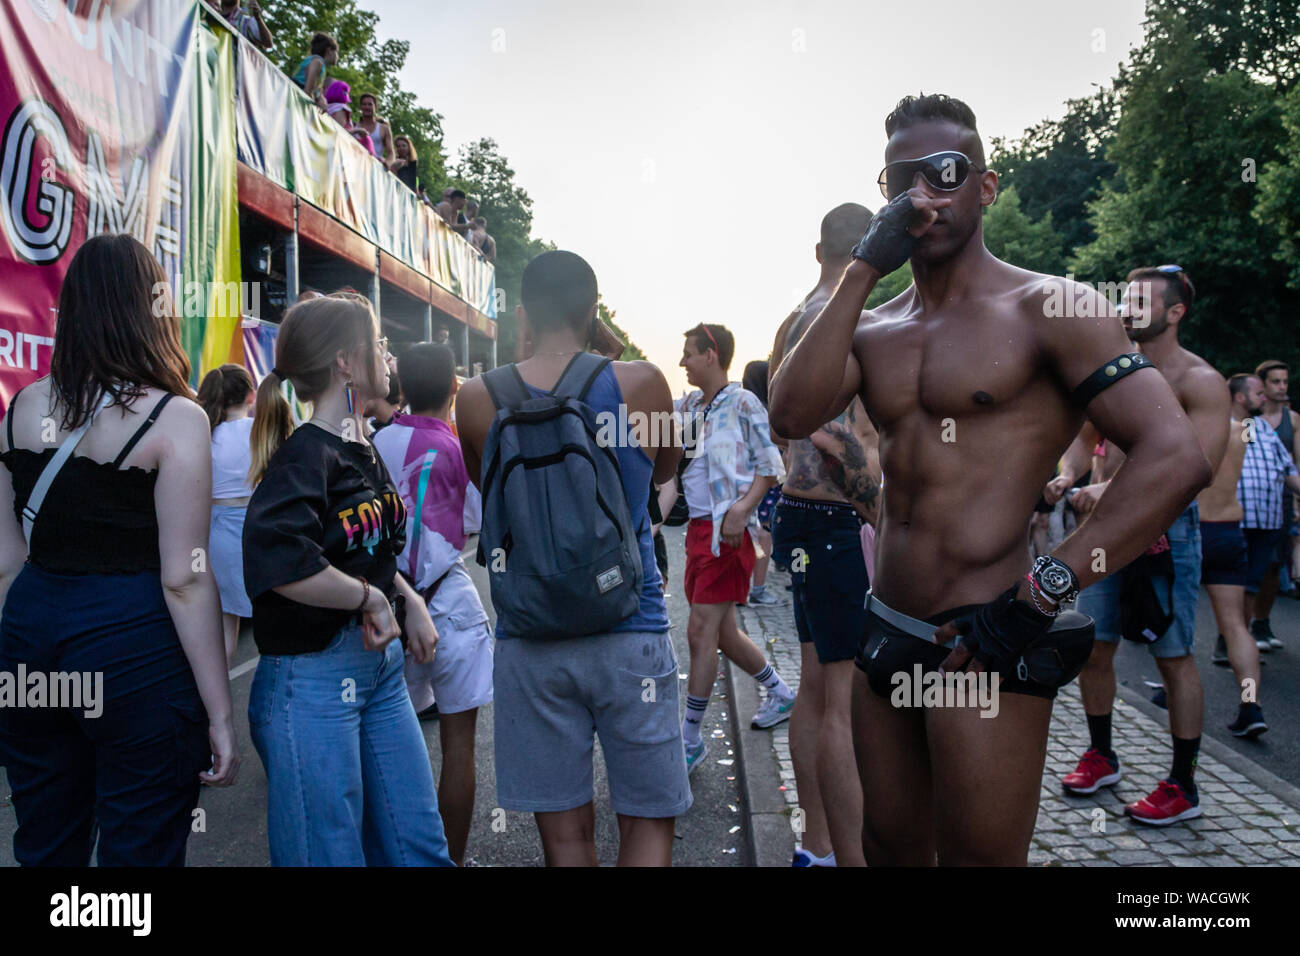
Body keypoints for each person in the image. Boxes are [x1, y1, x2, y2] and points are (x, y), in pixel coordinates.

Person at [769, 94, 1213, 864]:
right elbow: (790, 410)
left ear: (987, 186)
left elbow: (1175, 455)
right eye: (901, 180)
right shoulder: (873, 328)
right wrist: (864, 268)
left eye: (945, 174)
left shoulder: (1050, 306)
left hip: (985, 637)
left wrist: (1045, 591)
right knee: (889, 849)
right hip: (888, 627)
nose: (923, 197)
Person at [0, 234, 239, 865]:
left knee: (46, 844)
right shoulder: (177, 419)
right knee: (141, 852)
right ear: (149, 309)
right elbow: (184, 578)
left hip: (29, 641)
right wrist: (219, 712)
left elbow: (5, 560)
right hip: (134, 653)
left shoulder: (20, 407)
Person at [455, 250, 689, 866]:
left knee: (565, 842)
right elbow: (667, 473)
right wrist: (600, 336)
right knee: (647, 820)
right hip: (628, 627)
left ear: (524, 313)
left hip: (532, 639)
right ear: (593, 311)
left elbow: (492, 490)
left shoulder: (478, 398)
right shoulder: (641, 383)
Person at [242, 294, 453, 866]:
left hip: (379, 673)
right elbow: (280, 560)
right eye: (378, 342)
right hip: (311, 677)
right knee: (330, 856)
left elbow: (372, 551)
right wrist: (368, 600)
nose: (388, 354)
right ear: (345, 362)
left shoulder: (360, 442)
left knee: (419, 847)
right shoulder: (305, 454)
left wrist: (407, 599)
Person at [1053, 266, 1227, 826]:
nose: (1126, 307)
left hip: (1165, 533)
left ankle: (1183, 783)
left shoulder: (1200, 381)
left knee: (1172, 656)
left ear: (1174, 313)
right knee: (1093, 646)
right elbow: (1083, 441)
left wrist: (1105, 490)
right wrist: (1067, 477)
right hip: (1104, 533)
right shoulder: (1114, 370)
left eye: (1140, 300)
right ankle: (1102, 755)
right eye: (1124, 298)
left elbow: (1194, 468)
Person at [768, 202, 882, 868]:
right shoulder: (842, 318)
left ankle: (815, 846)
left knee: (815, 686)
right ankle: (846, 854)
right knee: (841, 701)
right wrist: (880, 510)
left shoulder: (793, 320)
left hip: (803, 514)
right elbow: (831, 433)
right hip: (837, 517)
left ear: (819, 251)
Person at [373, 343, 493, 867]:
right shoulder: (461, 449)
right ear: (453, 389)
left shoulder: (373, 444)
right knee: (458, 747)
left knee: (387, 747)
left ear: (399, 388)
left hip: (384, 605)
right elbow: (479, 524)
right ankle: (453, 861)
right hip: (450, 603)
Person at [676, 323, 795, 770]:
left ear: (711, 354)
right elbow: (674, 466)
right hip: (697, 532)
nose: (682, 361)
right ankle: (781, 692)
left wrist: (742, 510)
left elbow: (771, 464)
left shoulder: (744, 401)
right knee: (723, 632)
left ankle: (689, 739)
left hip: (728, 534)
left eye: (688, 353)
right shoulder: (688, 404)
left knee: (700, 632)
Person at [1198, 375, 1271, 736]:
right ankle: (1251, 705)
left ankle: (1170, 690)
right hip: (1229, 529)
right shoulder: (1241, 431)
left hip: (1195, 529)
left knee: (1176, 615)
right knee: (1236, 625)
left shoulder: (1193, 430)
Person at [197, 363, 257, 668]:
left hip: (217, 531)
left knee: (224, 623)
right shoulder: (259, 431)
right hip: (258, 528)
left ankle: (215, 703)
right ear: (250, 395)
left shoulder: (205, 433)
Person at [1237, 373, 1300, 652]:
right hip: (1236, 520)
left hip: (1269, 519)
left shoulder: (1265, 431)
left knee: (1255, 581)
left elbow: (1290, 471)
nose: (1265, 397)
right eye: (1259, 393)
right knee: (1233, 583)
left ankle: (1243, 638)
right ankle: (1233, 640)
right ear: (1241, 397)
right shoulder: (1230, 427)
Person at [740, 359, 787, 608]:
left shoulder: (742, 405)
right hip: (767, 479)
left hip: (744, 479)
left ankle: (741, 587)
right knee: (763, 534)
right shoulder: (768, 409)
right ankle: (757, 589)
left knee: (751, 531)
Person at [292, 32, 338, 109]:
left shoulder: (320, 65)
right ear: (329, 50)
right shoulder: (317, 62)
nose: (337, 56)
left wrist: (321, 99)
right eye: (337, 52)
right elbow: (308, 91)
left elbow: (316, 92)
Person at [356, 93, 394, 165]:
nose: (367, 107)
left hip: (375, 169)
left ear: (376, 107)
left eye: (370, 104)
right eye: (364, 104)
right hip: (355, 165)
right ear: (360, 107)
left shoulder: (384, 129)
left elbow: (391, 153)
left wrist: (388, 162)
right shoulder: (354, 126)